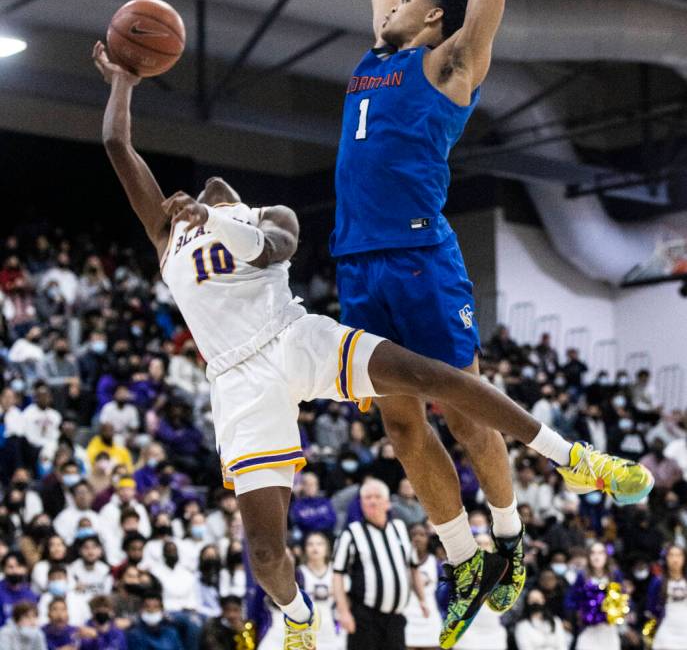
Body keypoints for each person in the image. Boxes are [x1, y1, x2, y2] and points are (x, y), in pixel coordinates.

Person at [93, 39, 653, 650]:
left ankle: (572, 458)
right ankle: (299, 619)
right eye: (204, 196)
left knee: (437, 377)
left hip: (292, 336)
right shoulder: (167, 230)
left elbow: (274, 250)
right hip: (235, 381)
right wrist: (124, 80)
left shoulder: (267, 213)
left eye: (218, 195)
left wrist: (217, 219)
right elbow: (118, 146)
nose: (210, 186)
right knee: (264, 549)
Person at [329, 0, 529, 642]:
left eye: (408, 0)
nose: (392, 1)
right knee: (401, 427)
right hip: (357, 261)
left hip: (418, 258)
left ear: (432, 18)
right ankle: (461, 556)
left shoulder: (451, 64)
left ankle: (507, 537)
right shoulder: (377, 56)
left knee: (467, 413)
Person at [332, 479, 426, 650]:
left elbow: (414, 567)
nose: (372, 501)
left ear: (388, 503)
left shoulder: (400, 528)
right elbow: (337, 574)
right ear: (361, 504)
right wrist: (343, 612)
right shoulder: (351, 534)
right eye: (367, 498)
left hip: (396, 619)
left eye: (377, 497)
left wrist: (422, 599)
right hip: (365, 618)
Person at [299, 533, 345, 650]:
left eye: (319, 544)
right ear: (305, 549)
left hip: (335, 628)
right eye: (310, 544)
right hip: (307, 630)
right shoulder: (299, 573)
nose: (315, 548)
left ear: (327, 548)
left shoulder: (336, 571)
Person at [404, 523, 442, 650]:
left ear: (428, 538)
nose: (417, 538)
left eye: (422, 535)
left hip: (429, 614)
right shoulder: (401, 561)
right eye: (413, 535)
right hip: (407, 615)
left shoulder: (436, 562)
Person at [647, 544, 687, 650]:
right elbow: (651, 607)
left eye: (678, 555)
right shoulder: (658, 581)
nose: (675, 559)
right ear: (666, 558)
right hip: (666, 631)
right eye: (671, 555)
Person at [0, 553, 39, 626]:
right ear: (4, 569)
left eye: (19, 566)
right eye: (10, 567)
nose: (14, 570)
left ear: (25, 569)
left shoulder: (31, 594)